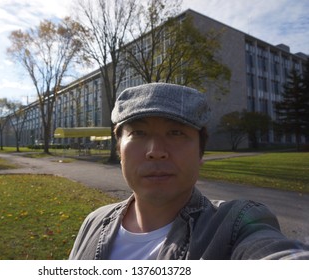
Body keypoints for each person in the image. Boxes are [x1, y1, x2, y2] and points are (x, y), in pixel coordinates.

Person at [69, 83, 309, 260]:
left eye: (176, 133)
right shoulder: (94, 222)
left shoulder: (235, 226)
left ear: (200, 153)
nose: (155, 151)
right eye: (138, 133)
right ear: (120, 150)